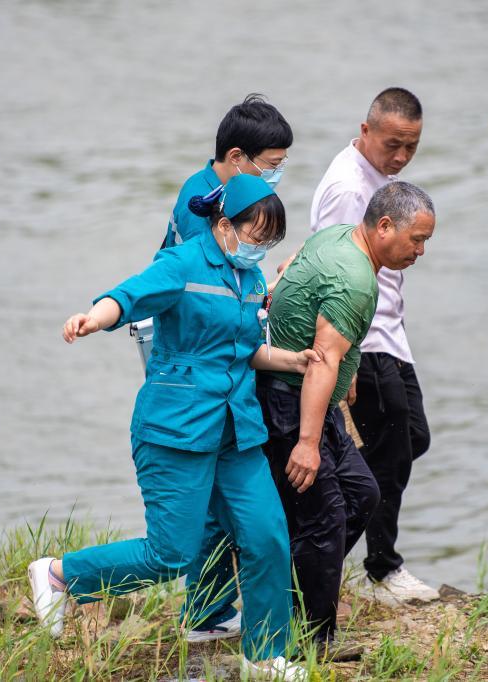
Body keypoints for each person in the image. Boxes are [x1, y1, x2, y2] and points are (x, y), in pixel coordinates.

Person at [30, 175, 313, 680]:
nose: (261, 248)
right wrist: (93, 318)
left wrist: (290, 360)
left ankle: (264, 656)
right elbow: (128, 296)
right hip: (176, 429)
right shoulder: (182, 264)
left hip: (235, 431)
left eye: (270, 240)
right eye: (257, 236)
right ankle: (61, 575)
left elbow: (243, 349)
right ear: (225, 226)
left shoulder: (250, 279)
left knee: (267, 535)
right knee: (171, 554)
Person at [259, 181, 436, 647]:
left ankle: (295, 597)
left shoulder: (339, 236)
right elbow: (322, 359)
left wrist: (349, 367)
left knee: (361, 495)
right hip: (290, 402)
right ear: (384, 226)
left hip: (308, 397)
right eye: (417, 239)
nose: (421, 251)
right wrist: (307, 443)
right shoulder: (355, 280)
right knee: (323, 518)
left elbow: (293, 266)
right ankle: (312, 639)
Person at [157, 94, 293, 645]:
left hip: (211, 354)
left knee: (221, 487)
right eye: (271, 165)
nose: (275, 176)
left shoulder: (217, 192)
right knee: (213, 490)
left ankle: (210, 606)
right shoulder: (203, 204)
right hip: (194, 361)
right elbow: (207, 292)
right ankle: (206, 608)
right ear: (237, 158)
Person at [308, 87, 438, 604]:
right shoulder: (347, 187)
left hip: (390, 335)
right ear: (366, 131)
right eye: (392, 145)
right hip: (362, 337)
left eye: (412, 147)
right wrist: (343, 364)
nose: (401, 157)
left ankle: (324, 545)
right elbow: (332, 273)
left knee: (411, 438)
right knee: (389, 452)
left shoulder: (380, 178)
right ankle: (378, 570)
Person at [163, 93, 292, 249]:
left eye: (282, 163)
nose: (278, 171)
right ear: (236, 156)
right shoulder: (199, 210)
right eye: (273, 164)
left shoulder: (219, 188)